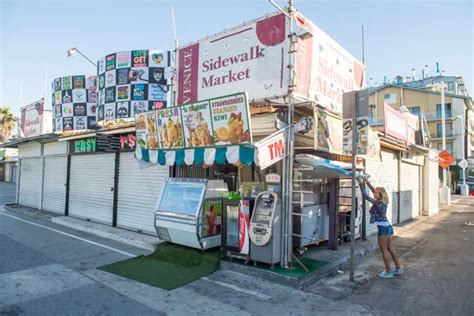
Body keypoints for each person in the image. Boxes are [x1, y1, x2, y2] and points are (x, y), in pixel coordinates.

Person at [357, 177, 404, 278]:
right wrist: (367, 182)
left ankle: (388, 271)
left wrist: (361, 184)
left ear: (380, 194)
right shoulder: (384, 201)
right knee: (390, 248)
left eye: (376, 193)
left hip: (383, 229)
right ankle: (398, 268)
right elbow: (374, 190)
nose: (374, 194)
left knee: (384, 250)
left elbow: (365, 196)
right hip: (388, 226)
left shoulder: (377, 203)